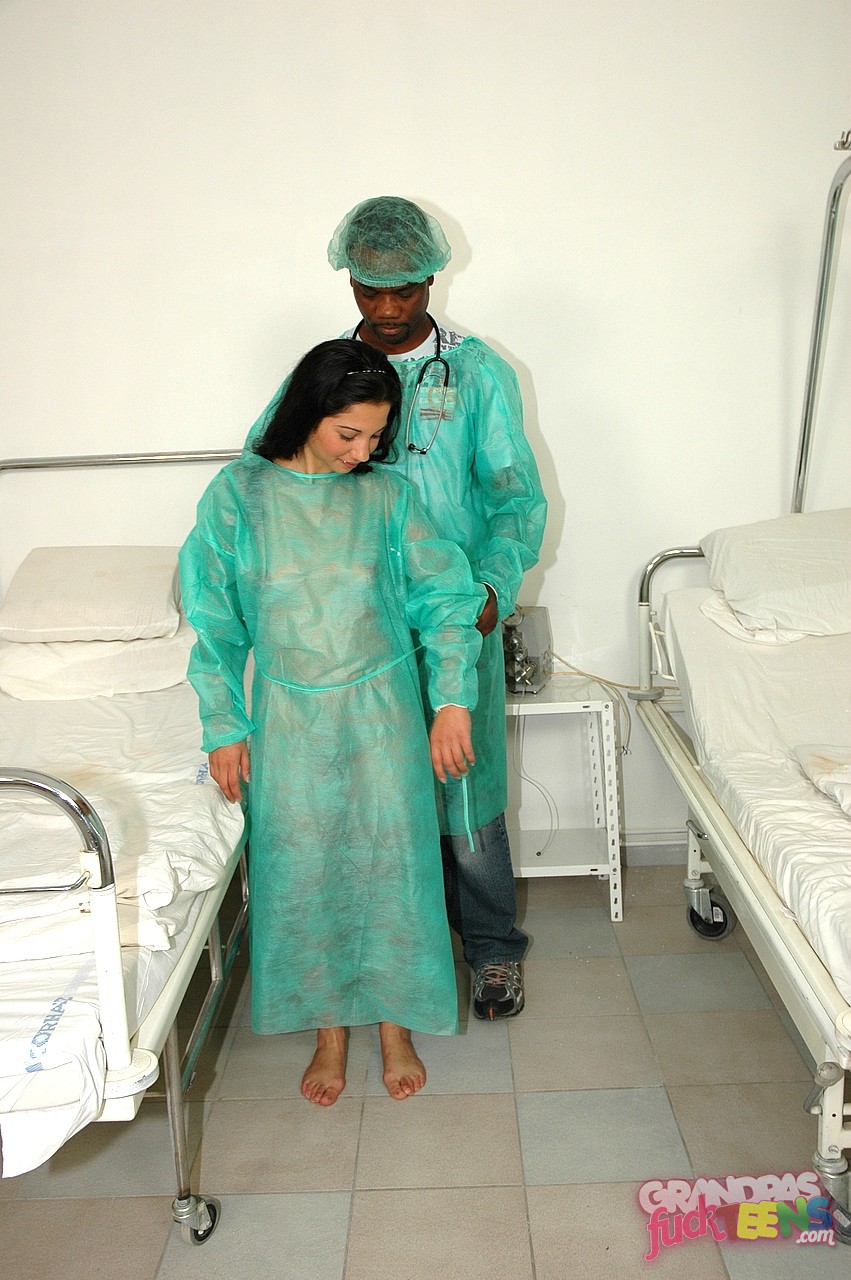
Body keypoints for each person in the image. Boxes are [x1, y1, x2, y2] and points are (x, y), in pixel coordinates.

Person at [245, 198, 547, 1020]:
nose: (385, 308)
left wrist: (491, 591)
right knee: (366, 802)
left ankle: (492, 952)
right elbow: (268, 480)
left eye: (403, 290)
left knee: (464, 793)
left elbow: (515, 499)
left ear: (431, 276)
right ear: (348, 278)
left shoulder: (475, 374)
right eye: (368, 289)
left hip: (453, 614)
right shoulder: (326, 374)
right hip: (349, 631)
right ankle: (385, 967)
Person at [180, 339, 485, 1105]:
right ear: (307, 413)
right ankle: (329, 1033)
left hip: (383, 712)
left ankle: (395, 1024)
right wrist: (224, 725)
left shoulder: (386, 498)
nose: (364, 452)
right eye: (349, 433)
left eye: (377, 437)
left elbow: (445, 602)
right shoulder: (240, 496)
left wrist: (451, 701)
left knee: (394, 868)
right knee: (304, 871)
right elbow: (214, 623)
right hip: (290, 717)